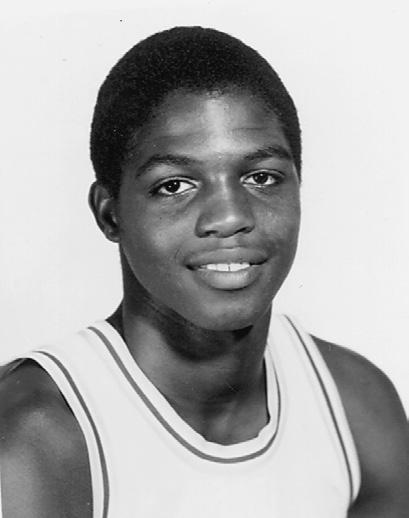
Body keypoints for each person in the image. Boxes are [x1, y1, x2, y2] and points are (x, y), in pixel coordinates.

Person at [0, 26, 408, 518]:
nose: (230, 217)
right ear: (110, 214)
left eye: (261, 177)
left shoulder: (355, 408)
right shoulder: (32, 435)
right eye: (175, 185)